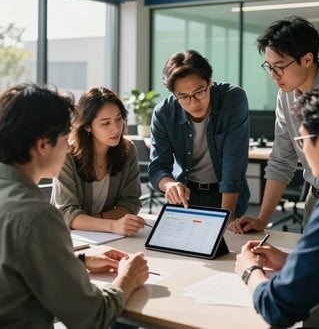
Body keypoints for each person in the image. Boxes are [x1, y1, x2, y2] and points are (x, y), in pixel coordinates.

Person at [0, 83, 149, 328]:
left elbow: (13, 266)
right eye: (63, 137)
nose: (69, 145)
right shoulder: (36, 216)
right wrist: (128, 278)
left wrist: (78, 261)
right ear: (42, 144)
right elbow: (91, 317)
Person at [235, 83, 319, 328]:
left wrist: (249, 271)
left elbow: (277, 307)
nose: (301, 151)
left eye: (300, 141)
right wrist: (294, 261)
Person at [233, 16, 319, 232]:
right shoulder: (285, 94)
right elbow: (281, 159)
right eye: (269, 67)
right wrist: (261, 219)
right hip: (315, 197)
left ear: (307, 59)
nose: (273, 76)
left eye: (279, 67)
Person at [148, 49, 250, 229]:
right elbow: (158, 167)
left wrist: (227, 216)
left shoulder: (233, 99)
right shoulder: (163, 113)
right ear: (173, 93)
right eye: (184, 97)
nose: (194, 103)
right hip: (186, 197)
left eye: (199, 92)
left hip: (226, 195)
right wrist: (170, 185)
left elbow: (233, 163)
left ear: (209, 82)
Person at [52, 86, 147, 236]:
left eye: (118, 119)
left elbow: (131, 203)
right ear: (88, 126)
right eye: (105, 123)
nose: (116, 129)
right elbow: (67, 213)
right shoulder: (67, 154)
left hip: (108, 237)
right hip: (70, 238)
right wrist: (111, 225)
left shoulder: (128, 150)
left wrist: (94, 221)